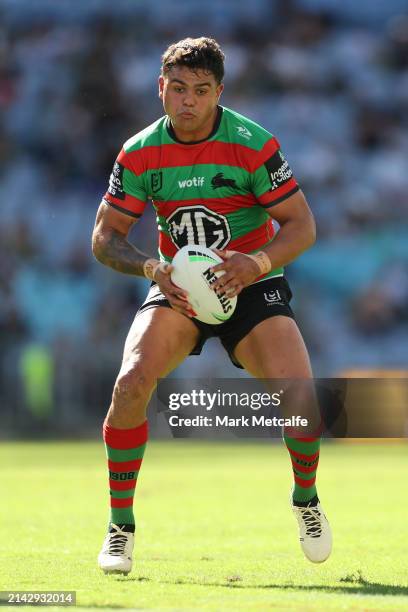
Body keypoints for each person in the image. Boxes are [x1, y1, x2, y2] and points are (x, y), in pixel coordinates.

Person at [92, 37, 332, 575]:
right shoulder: (139, 151)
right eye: (177, 89)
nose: (188, 102)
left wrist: (258, 262)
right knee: (131, 382)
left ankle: (306, 501)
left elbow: (303, 226)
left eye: (201, 91)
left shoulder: (253, 143)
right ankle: (120, 527)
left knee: (302, 397)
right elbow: (105, 238)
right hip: (178, 290)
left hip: (249, 285)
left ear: (219, 92)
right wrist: (152, 268)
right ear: (161, 89)